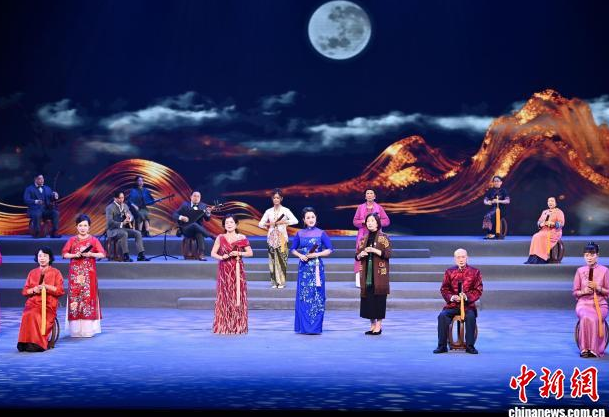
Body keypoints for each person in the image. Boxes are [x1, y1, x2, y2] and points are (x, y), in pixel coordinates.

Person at [62, 214, 106, 337]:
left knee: (87, 298)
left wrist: (91, 254)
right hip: (75, 275)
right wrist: (74, 255)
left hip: (89, 275)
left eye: (85, 225)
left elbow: (102, 254)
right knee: (75, 298)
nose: (83, 228)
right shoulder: (72, 240)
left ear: (89, 227)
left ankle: (88, 330)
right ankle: (75, 330)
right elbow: (64, 254)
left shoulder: (93, 240)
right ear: (76, 227)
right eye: (80, 225)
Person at [291, 207, 333, 335]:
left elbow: (330, 249)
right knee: (304, 297)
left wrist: (316, 254)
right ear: (304, 220)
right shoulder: (299, 233)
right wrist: (300, 255)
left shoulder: (321, 233)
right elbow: (292, 249)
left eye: (313, 217)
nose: (311, 219)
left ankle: (315, 327)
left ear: (316, 218)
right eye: (308, 217)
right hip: (304, 269)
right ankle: (304, 327)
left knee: (317, 297)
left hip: (316, 268)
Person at [433, 248, 483, 354]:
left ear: (467, 258)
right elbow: (444, 289)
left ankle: (470, 346)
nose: (461, 259)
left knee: (470, 317)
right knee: (442, 316)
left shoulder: (475, 272)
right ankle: (442, 346)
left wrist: (466, 297)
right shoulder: (449, 272)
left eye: (463, 257)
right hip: (453, 305)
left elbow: (478, 290)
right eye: (458, 257)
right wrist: (452, 297)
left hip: (468, 306)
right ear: (455, 259)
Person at [210, 214, 253, 334]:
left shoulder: (241, 237)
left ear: (236, 224)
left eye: (231, 222)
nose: (229, 224)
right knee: (225, 295)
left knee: (237, 295)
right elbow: (213, 253)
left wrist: (238, 253)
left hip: (237, 269)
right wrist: (221, 257)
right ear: (224, 225)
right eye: (227, 223)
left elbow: (250, 253)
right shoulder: (220, 237)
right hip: (224, 269)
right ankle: (224, 325)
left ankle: (237, 325)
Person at [17, 247, 65, 352]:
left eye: (45, 256)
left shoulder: (56, 272)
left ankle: (37, 343)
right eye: (40, 256)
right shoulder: (32, 272)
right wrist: (34, 290)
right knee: (27, 314)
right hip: (33, 302)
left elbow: (60, 291)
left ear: (50, 258)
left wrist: (47, 287)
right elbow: (25, 291)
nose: (42, 258)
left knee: (35, 314)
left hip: (48, 304)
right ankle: (25, 342)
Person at [356, 213, 392, 335]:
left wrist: (374, 250)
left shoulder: (384, 237)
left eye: (372, 221)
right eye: (368, 221)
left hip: (379, 274)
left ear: (377, 223)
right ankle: (372, 325)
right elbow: (357, 255)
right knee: (368, 299)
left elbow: (388, 254)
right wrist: (360, 255)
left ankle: (379, 325)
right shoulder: (363, 239)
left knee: (379, 300)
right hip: (367, 273)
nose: (370, 223)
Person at [573, 242, 609, 358]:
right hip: (583, 303)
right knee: (586, 317)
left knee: (594, 318)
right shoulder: (580, 271)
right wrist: (584, 291)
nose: (589, 258)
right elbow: (575, 292)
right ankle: (585, 349)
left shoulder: (604, 271)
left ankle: (594, 349)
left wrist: (597, 287)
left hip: (600, 304)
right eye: (586, 255)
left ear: (597, 255)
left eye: (592, 255)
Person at [258, 188, 298, 289]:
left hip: (282, 238)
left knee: (282, 259)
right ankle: (274, 282)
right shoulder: (268, 211)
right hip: (271, 238)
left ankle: (282, 282)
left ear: (281, 199)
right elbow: (260, 224)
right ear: (272, 199)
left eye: (278, 198)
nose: (276, 199)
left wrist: (284, 222)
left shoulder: (285, 210)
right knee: (272, 260)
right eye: (274, 198)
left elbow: (295, 221)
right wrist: (269, 224)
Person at [352, 189, 390, 288]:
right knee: (361, 254)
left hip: (376, 235)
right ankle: (360, 280)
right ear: (365, 196)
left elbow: (386, 221)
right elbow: (355, 222)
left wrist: (376, 222)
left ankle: (376, 279)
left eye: (371, 193)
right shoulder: (360, 207)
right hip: (363, 235)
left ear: (374, 196)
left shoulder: (379, 208)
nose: (369, 195)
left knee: (376, 255)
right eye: (367, 193)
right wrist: (363, 221)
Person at [105, 190, 148, 262]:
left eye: (122, 198)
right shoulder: (110, 208)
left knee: (137, 233)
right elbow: (110, 222)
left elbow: (131, 216)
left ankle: (141, 255)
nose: (121, 200)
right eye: (119, 198)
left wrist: (129, 218)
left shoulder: (125, 206)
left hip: (122, 229)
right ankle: (125, 255)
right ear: (115, 198)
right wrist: (122, 223)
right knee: (124, 233)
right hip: (112, 230)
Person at [174, 191, 215, 261]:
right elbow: (174, 214)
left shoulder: (203, 206)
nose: (196, 198)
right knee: (193, 224)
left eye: (198, 196)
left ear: (200, 198)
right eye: (194, 196)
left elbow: (207, 219)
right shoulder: (185, 205)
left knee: (199, 233)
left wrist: (208, 213)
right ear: (191, 197)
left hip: (198, 230)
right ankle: (211, 236)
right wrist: (181, 217)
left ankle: (201, 254)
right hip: (187, 229)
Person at [525, 197, 566, 264]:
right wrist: (541, 224)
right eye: (549, 201)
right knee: (535, 236)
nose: (550, 202)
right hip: (543, 230)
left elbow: (561, 223)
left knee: (542, 236)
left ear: (556, 203)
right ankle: (534, 257)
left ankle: (542, 258)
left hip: (554, 231)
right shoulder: (545, 212)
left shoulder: (559, 212)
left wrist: (552, 223)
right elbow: (539, 222)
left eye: (552, 201)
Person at [23, 174, 60, 238]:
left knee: (55, 213)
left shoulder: (47, 188)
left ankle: (54, 232)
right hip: (34, 210)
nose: (42, 180)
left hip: (46, 210)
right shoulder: (29, 189)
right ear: (35, 179)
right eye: (40, 179)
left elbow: (51, 198)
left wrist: (55, 196)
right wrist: (36, 201)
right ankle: (36, 233)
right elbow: (26, 200)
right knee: (37, 214)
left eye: (43, 178)